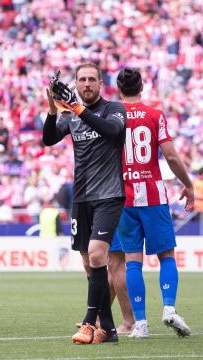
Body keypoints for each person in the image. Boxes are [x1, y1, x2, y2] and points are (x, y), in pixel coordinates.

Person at [43, 62, 126, 344]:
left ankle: (90, 324)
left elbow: (113, 132)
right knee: (90, 266)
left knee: (97, 254)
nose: (87, 84)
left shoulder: (114, 109)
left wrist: (77, 108)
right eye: (82, 80)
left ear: (101, 83)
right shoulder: (69, 115)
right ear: (76, 84)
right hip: (82, 197)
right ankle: (109, 330)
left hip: (109, 195)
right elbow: (48, 139)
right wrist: (53, 108)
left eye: (92, 79)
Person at [114, 68, 195, 338]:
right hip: (153, 195)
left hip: (123, 198)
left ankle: (141, 324)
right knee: (166, 255)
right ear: (142, 87)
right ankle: (169, 309)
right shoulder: (155, 115)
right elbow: (171, 157)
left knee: (132, 262)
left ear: (118, 89)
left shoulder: (111, 116)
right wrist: (189, 184)